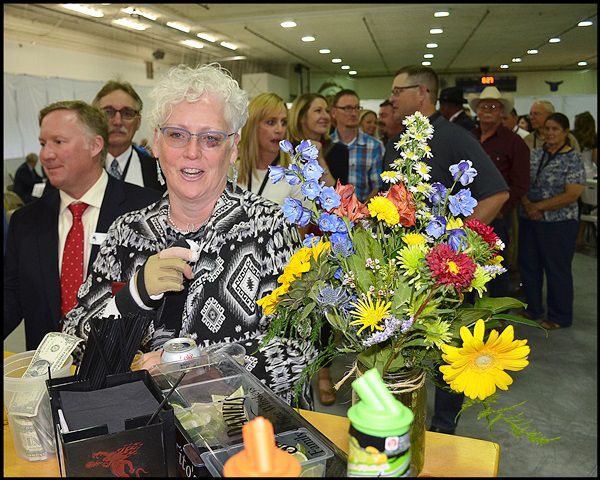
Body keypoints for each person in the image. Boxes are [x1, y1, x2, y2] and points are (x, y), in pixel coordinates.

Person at [61, 63, 318, 409]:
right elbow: (73, 342)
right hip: (144, 433)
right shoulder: (127, 232)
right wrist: (133, 295)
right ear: (156, 142)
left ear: (233, 148)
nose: (192, 152)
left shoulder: (269, 228)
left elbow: (300, 346)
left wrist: (193, 371)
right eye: (177, 135)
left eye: (211, 138)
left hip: (246, 440)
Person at [387, 65, 510, 435]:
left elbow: (497, 192)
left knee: (447, 352)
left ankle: (442, 432)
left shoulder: (454, 137)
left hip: (444, 272)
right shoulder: (404, 139)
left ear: (422, 93)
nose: (391, 99)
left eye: (397, 91)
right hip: (406, 267)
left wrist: (459, 246)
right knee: (405, 354)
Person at [4, 100, 161, 351]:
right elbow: (11, 299)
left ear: (95, 145)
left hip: (125, 374)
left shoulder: (146, 211)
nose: (46, 154)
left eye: (59, 141)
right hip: (48, 376)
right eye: (43, 143)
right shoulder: (26, 222)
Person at [287, 92, 350, 406]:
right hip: (295, 234)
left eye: (328, 110)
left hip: (327, 236)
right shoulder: (285, 152)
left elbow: (338, 194)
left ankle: (323, 373)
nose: (325, 115)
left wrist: (319, 159)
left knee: (325, 309)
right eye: (318, 110)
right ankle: (296, 370)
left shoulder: (338, 151)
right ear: (301, 117)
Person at [519, 113, 586, 330]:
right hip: (529, 219)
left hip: (559, 223)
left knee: (557, 269)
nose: (549, 133)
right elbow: (520, 181)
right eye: (546, 129)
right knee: (529, 265)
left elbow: (572, 193)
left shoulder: (573, 158)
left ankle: (559, 315)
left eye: (555, 129)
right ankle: (533, 307)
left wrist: (538, 207)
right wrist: (529, 205)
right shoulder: (535, 154)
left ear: (565, 133)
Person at [467, 86, 530, 297]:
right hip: (467, 212)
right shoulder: (469, 137)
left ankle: (496, 317)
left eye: (493, 106)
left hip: (497, 216)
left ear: (502, 112)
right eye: (483, 106)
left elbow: (521, 183)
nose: (487, 110)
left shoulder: (514, 143)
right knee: (466, 263)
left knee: (496, 266)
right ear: (477, 110)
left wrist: (502, 209)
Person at [92, 80, 166, 193]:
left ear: (138, 122)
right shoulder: (77, 170)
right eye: (108, 112)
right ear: (95, 119)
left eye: (127, 113)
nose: (117, 122)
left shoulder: (158, 172)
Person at [330, 89, 384, 202]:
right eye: (348, 108)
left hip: (363, 213)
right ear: (334, 112)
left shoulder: (374, 146)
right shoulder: (327, 145)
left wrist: (360, 213)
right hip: (329, 213)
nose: (354, 113)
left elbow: (378, 186)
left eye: (357, 108)